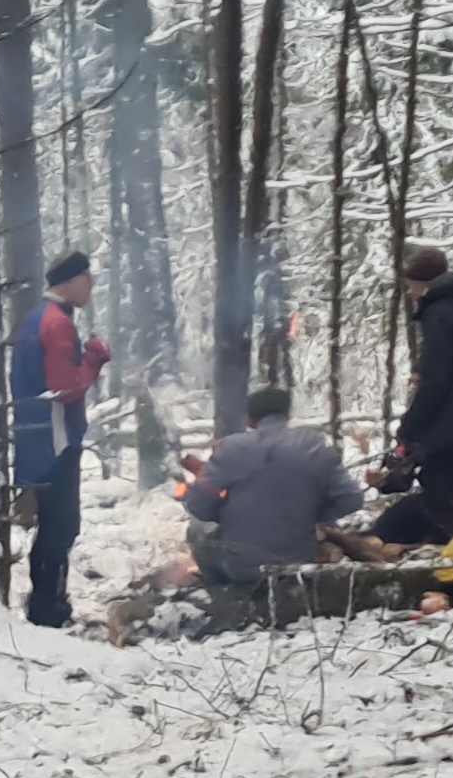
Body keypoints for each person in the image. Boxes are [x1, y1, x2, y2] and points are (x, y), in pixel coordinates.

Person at [10, 249, 111, 628]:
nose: (92, 285)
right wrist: (95, 359)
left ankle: (47, 604)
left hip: (35, 435)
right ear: (70, 281)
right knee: (61, 525)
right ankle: (49, 609)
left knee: (53, 524)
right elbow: (65, 389)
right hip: (55, 438)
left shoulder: (38, 318)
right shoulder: (57, 323)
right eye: (87, 278)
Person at [182, 388, 363, 591]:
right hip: (297, 563)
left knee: (197, 528)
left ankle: (218, 590)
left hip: (240, 566)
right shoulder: (315, 446)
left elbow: (197, 504)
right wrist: (313, 514)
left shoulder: (231, 447)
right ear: (287, 415)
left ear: (249, 420)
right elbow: (352, 499)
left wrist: (225, 514)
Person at [367, 244, 453, 549]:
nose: (410, 293)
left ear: (423, 283)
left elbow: (437, 381)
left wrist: (409, 430)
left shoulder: (440, 312)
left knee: (440, 497)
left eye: (411, 285)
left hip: (445, 434)